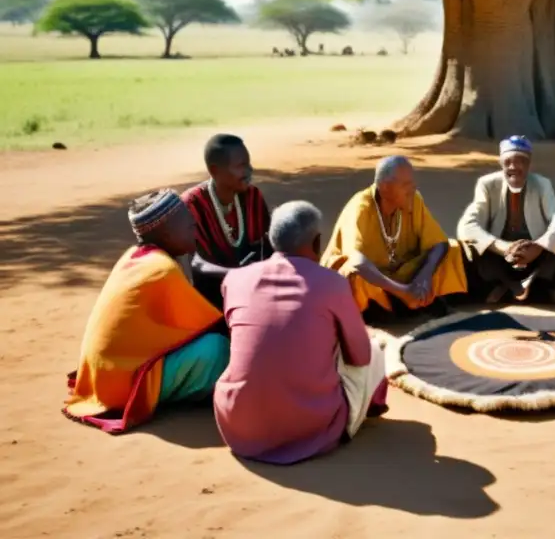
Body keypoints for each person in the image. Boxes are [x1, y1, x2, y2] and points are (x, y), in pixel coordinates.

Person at [215, 201, 388, 464]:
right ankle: (369, 409)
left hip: (239, 423)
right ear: (318, 243)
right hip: (311, 429)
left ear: (271, 240)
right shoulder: (332, 283)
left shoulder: (235, 279)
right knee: (374, 350)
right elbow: (360, 357)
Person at [64, 189, 229, 433]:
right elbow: (205, 324)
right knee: (218, 349)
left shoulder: (134, 257)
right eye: (187, 224)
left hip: (104, 378)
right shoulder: (162, 269)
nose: (194, 225)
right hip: (125, 387)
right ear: (166, 233)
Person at [320, 155, 468, 318]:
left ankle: (415, 302)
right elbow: (357, 262)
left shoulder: (413, 198)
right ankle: (388, 310)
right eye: (405, 185)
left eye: (412, 183)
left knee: (451, 250)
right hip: (371, 278)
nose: (412, 188)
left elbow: (439, 243)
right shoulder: (361, 207)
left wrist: (424, 277)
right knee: (354, 275)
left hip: (399, 272)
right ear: (385, 188)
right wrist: (403, 292)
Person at [457, 136, 555, 303]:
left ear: (529, 164)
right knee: (473, 244)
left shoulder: (542, 185)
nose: (514, 167)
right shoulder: (487, 184)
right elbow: (467, 225)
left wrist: (538, 246)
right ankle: (516, 286)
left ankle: (516, 286)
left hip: (532, 251)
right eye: (508, 162)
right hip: (500, 252)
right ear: (501, 163)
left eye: (521, 161)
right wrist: (504, 248)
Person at [182, 133, 272, 313]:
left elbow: (268, 247)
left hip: (253, 297)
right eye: (241, 166)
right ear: (215, 171)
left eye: (248, 164)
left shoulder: (253, 197)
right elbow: (194, 264)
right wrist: (234, 275)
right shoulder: (191, 205)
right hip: (209, 305)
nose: (249, 171)